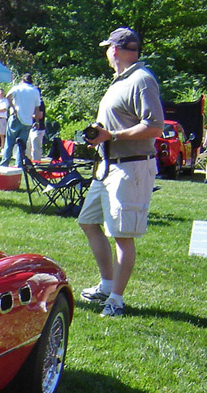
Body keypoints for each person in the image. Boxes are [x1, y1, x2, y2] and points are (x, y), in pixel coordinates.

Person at [78, 27, 164, 318]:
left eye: (107, 48)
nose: (106, 53)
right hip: (108, 166)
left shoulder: (142, 80)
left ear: (114, 50)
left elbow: (154, 126)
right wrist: (100, 136)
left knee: (122, 236)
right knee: (89, 222)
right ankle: (106, 283)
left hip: (131, 166)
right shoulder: (120, 81)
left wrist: (111, 135)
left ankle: (116, 300)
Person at [0, 74, 41, 166]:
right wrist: (36, 122)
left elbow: (8, 96)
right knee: (21, 146)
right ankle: (19, 165)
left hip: (15, 118)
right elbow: (37, 108)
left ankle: (4, 164)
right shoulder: (35, 91)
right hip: (27, 121)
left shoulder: (17, 88)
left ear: (22, 80)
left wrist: (13, 107)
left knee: (9, 143)